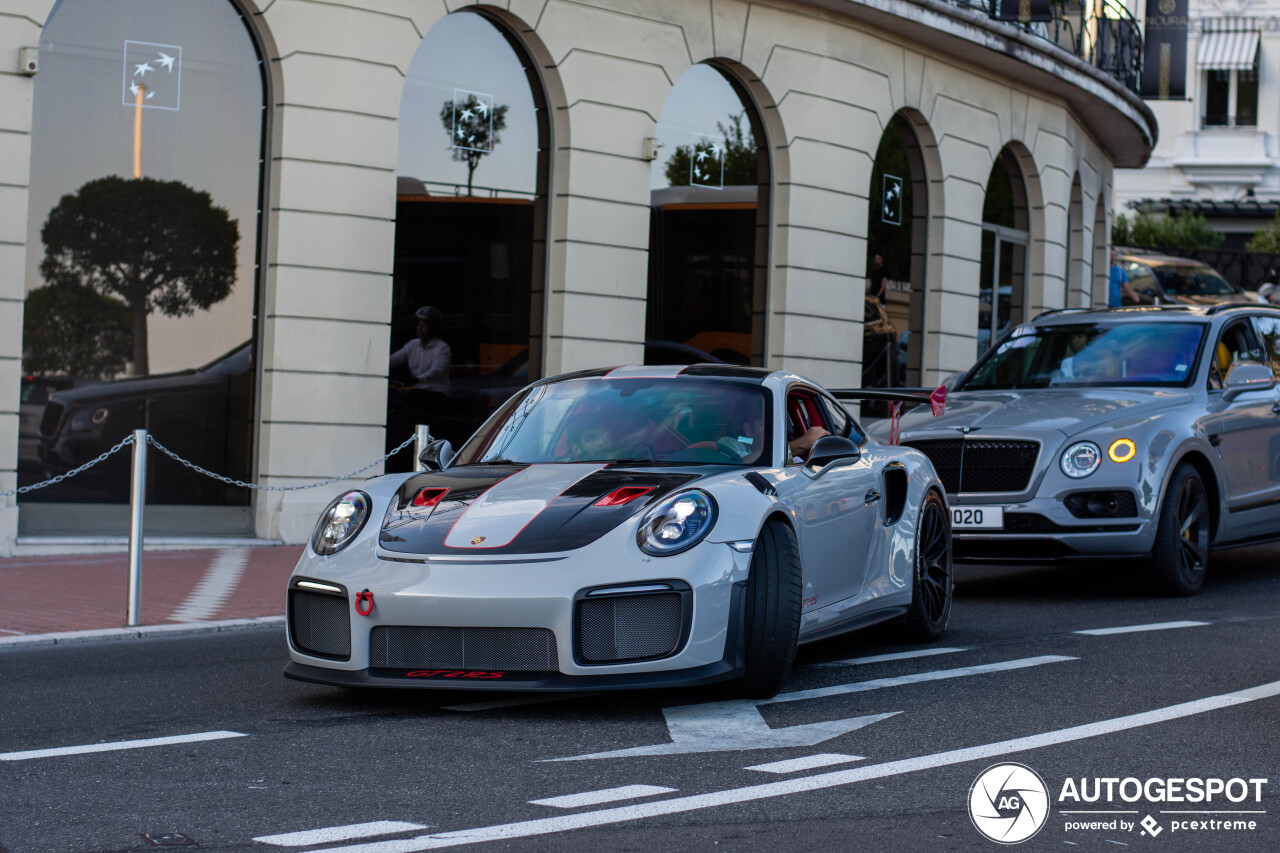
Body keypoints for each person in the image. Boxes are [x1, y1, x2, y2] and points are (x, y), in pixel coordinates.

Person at [389, 305, 451, 394]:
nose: (419, 329)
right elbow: (394, 359)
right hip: (418, 390)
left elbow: (436, 371)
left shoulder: (442, 348)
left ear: (433, 329)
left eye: (424, 326)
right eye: (418, 325)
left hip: (436, 393)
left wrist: (416, 379)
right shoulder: (412, 345)